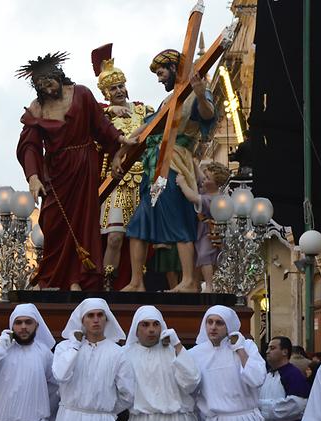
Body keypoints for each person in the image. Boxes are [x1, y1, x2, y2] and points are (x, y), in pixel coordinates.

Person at [16, 51, 129, 291]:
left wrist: (119, 138)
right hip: (55, 171)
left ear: (58, 76)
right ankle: (52, 277)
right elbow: (29, 145)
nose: (47, 89)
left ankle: (79, 278)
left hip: (84, 165)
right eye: (41, 86)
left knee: (83, 222)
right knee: (52, 221)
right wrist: (33, 177)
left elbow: (101, 125)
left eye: (49, 83)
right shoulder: (37, 108)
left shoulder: (81, 94)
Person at [120, 49, 216, 293]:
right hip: (154, 166)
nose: (160, 78)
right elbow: (147, 127)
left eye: (161, 72)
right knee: (138, 225)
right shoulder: (168, 99)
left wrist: (200, 95)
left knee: (177, 220)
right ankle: (136, 282)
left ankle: (189, 281)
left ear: (174, 68)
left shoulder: (196, 92)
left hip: (174, 163)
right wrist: (120, 152)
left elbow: (208, 115)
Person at [91, 46, 154, 288]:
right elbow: (84, 115)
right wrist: (106, 111)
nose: (118, 91)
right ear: (105, 93)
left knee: (140, 238)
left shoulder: (143, 110)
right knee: (115, 237)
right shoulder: (102, 116)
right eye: (112, 88)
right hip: (117, 181)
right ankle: (106, 285)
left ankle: (139, 283)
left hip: (142, 180)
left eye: (120, 86)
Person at [177, 161, 228, 292]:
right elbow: (200, 177)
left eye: (208, 179)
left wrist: (182, 184)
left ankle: (210, 285)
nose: (204, 180)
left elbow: (193, 197)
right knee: (199, 256)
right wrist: (193, 162)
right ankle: (197, 284)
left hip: (209, 231)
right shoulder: (208, 191)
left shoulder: (213, 199)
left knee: (205, 256)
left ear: (216, 184)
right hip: (203, 230)